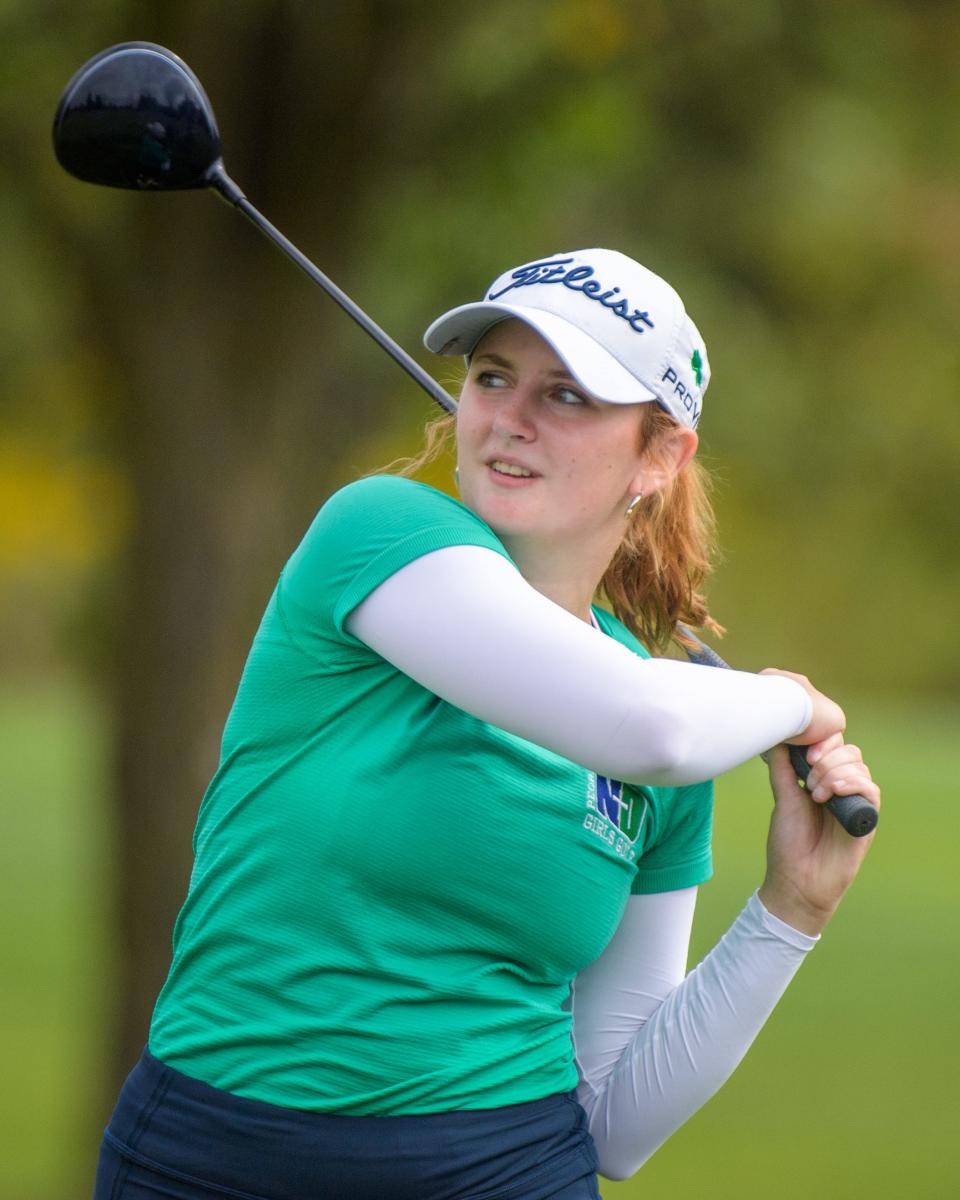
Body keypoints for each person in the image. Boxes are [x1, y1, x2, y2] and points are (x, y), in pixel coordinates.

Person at [93, 249, 879, 1200]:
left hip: (506, 1171)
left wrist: (791, 913)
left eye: (570, 395)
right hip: (221, 1159)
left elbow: (616, 1128)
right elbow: (652, 730)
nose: (511, 418)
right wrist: (799, 702)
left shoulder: (674, 725)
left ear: (662, 456)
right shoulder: (377, 535)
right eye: (493, 377)